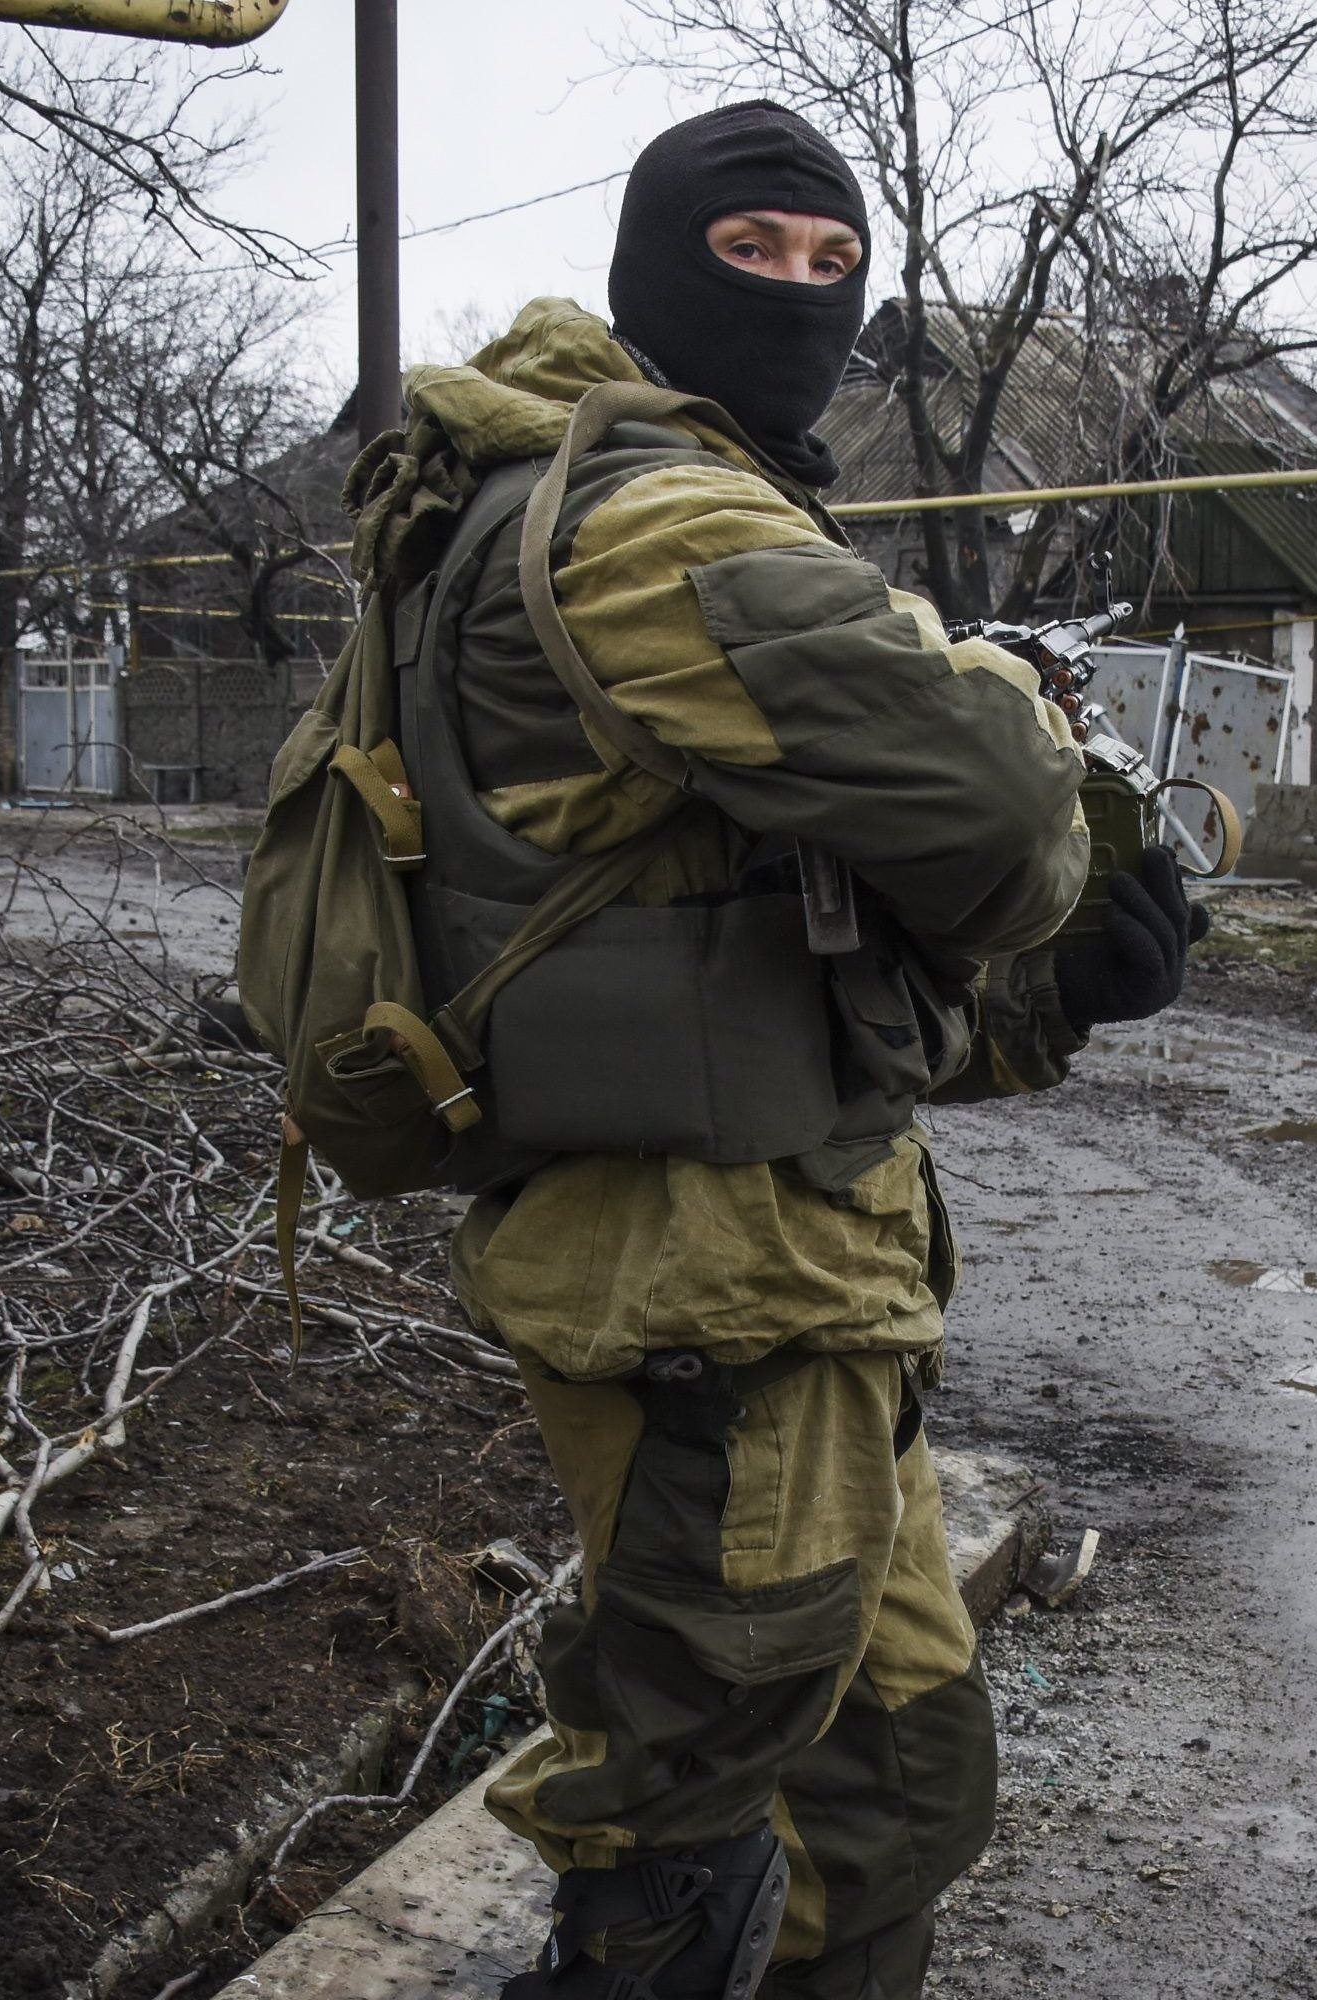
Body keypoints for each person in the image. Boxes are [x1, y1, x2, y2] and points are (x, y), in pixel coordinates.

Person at [339, 102, 1201, 2000]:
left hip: (780, 1261)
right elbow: (998, 807)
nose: (803, 296)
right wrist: (1018, 712)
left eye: (836, 264)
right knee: (686, 1829)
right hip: (706, 1284)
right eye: (753, 255)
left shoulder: (685, 499)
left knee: (889, 1798)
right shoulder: (647, 516)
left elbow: (748, 971)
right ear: (658, 266)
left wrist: (1052, 996)